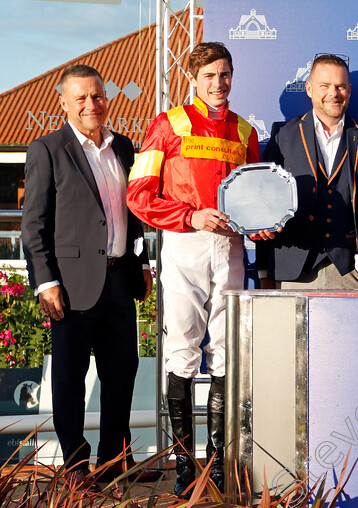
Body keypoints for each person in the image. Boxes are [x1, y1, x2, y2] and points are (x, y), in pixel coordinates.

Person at [127, 42, 260, 496]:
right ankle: (186, 467)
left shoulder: (245, 131)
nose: (218, 84)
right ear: (192, 79)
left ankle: (219, 465)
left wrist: (260, 224)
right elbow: (138, 195)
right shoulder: (167, 124)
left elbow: (255, 198)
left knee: (226, 353)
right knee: (183, 350)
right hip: (184, 244)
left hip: (231, 247)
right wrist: (190, 216)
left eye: (224, 75)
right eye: (209, 76)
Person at [21, 64, 160, 488]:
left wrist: (140, 262)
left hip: (119, 279)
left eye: (97, 96)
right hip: (70, 285)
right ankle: (77, 467)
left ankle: (114, 463)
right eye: (79, 97)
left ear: (107, 97)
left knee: (123, 372)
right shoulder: (47, 149)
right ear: (63, 102)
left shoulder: (124, 148)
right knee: (69, 378)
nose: (90, 104)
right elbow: (33, 224)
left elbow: (131, 214)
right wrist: (46, 282)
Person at [258, 54, 358, 289]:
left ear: (349, 89)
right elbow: (265, 204)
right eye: (325, 86)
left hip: (350, 270)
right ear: (309, 89)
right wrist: (264, 270)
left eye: (340, 86)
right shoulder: (283, 136)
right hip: (293, 268)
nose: (333, 93)